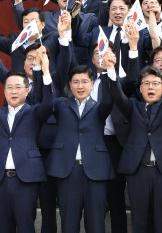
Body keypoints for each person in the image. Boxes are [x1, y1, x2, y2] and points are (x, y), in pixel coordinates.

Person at [107, 45, 162, 233]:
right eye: (146, 83)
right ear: (140, 88)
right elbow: (118, 97)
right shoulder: (133, 106)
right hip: (138, 171)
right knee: (139, 220)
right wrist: (111, 69)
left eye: (155, 83)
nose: (151, 87)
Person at [47, 63, 114, 233]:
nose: (80, 86)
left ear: (92, 84)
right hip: (68, 171)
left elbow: (110, 98)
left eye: (84, 81)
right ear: (70, 85)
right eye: (75, 82)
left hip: (95, 170)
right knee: (69, 223)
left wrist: (109, 70)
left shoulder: (100, 106)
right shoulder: (61, 104)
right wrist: (46, 71)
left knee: (96, 223)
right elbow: (48, 98)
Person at [0, 51, 53, 233]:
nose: (13, 91)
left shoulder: (34, 112)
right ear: (4, 90)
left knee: (25, 227)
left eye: (18, 87)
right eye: (9, 87)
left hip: (25, 181)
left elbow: (48, 103)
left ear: (27, 90)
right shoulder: (0, 115)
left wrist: (45, 71)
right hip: (1, 181)